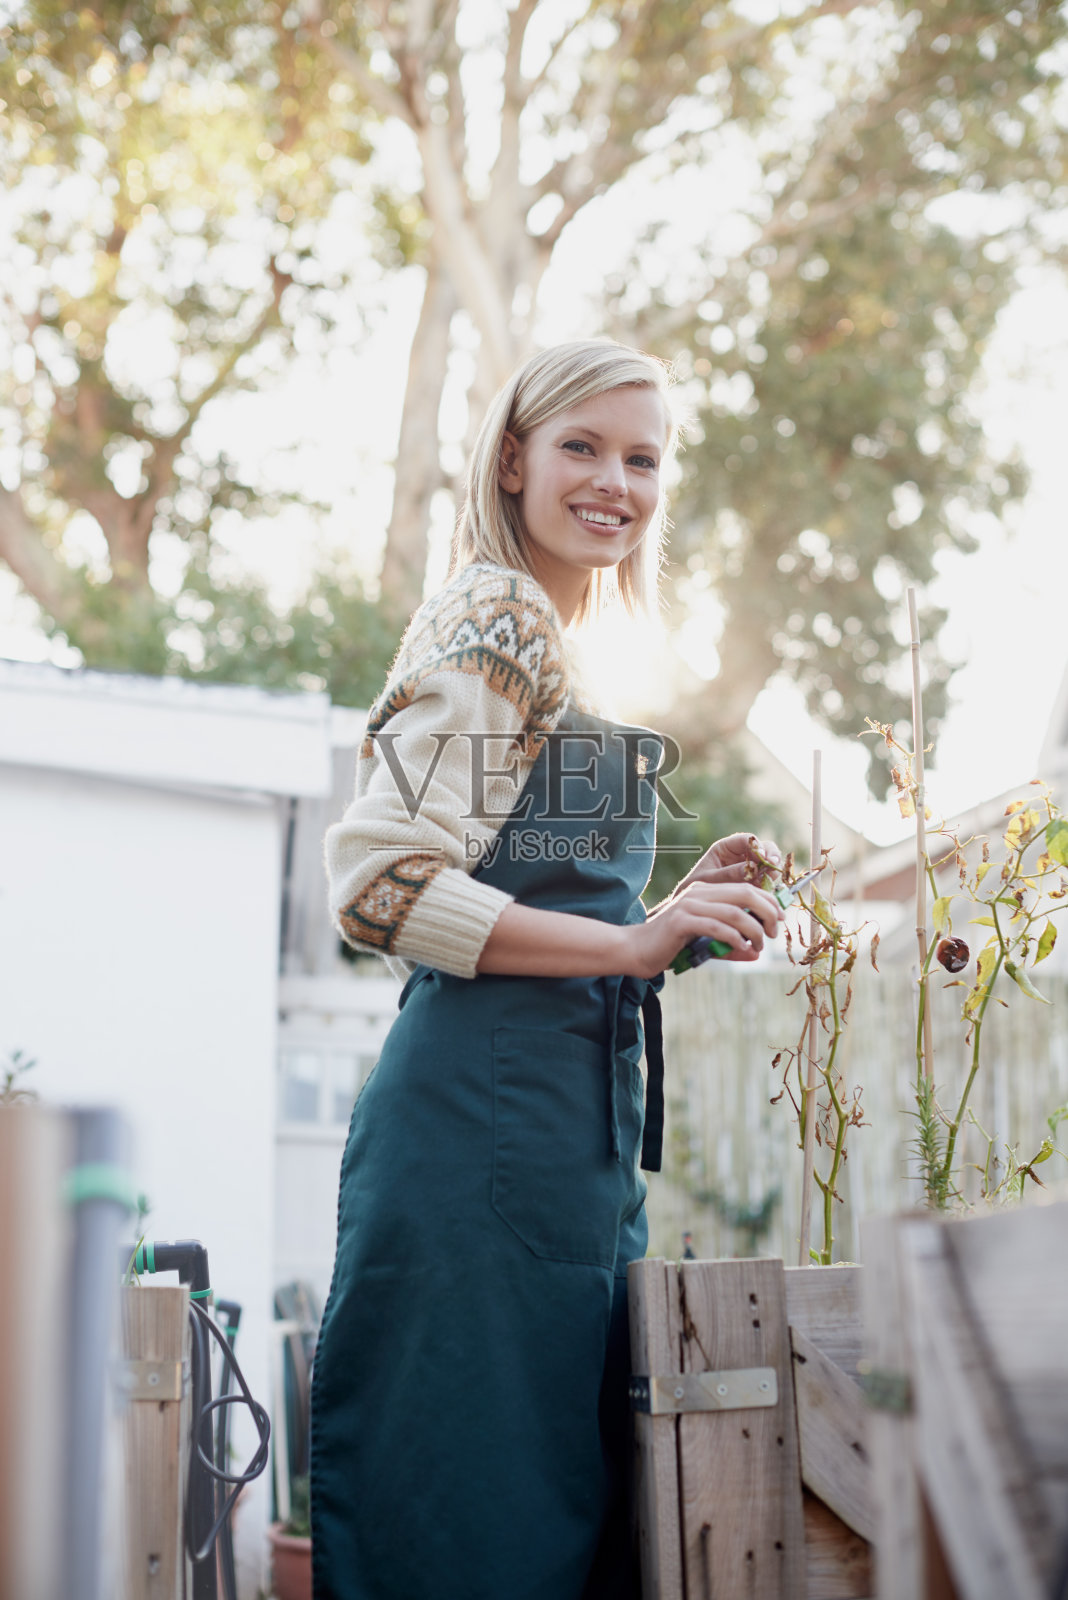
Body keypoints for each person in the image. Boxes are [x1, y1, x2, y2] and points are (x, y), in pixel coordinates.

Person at [310, 339, 783, 1600]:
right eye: (583, 446)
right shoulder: (499, 618)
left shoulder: (563, 637)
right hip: (482, 1142)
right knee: (479, 1531)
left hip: (560, 1140)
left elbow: (536, 896)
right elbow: (377, 880)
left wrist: (665, 915)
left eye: (643, 458)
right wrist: (630, 941)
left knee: (545, 1525)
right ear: (512, 457)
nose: (615, 483)